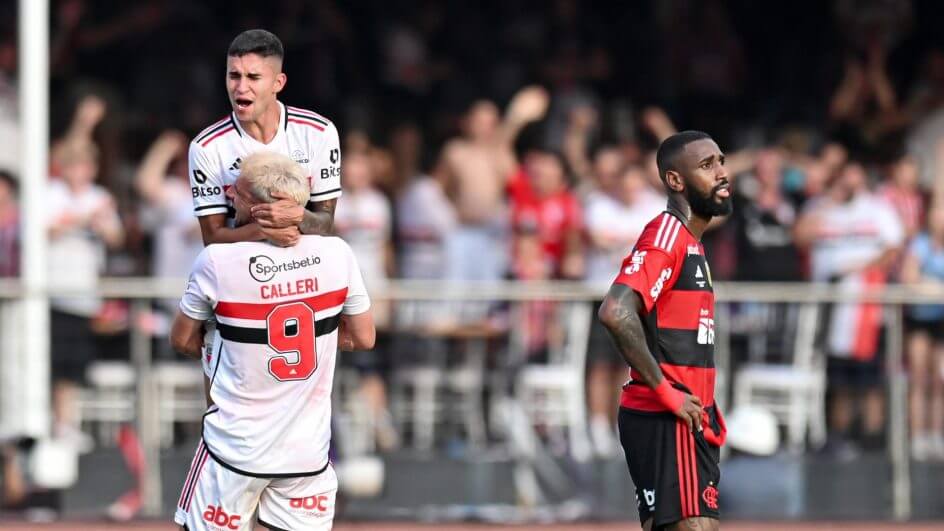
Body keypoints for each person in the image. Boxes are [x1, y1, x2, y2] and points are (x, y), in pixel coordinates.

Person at [170, 152, 374, 531]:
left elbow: (182, 339)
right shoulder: (338, 253)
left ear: (263, 207)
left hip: (235, 449)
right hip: (306, 453)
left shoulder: (218, 260)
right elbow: (364, 336)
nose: (230, 194)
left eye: (239, 192)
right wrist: (320, 338)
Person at [187, 28, 342, 394]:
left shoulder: (318, 133)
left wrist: (299, 219)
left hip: (300, 283)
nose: (241, 88)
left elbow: (326, 222)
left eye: (253, 77)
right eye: (233, 75)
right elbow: (213, 238)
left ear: (278, 82)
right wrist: (272, 225)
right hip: (236, 289)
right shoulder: (208, 147)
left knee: (301, 400)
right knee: (223, 406)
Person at [598, 131, 731, 531]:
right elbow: (616, 311)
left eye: (721, 161)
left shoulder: (691, 242)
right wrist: (667, 391)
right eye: (707, 166)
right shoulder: (668, 236)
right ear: (676, 181)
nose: (722, 174)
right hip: (669, 418)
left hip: (686, 416)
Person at [794, 161, 904, 457]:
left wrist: (859, 268)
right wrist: (829, 201)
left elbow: (894, 248)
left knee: (869, 377)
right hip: (828, 304)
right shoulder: (821, 206)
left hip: (867, 306)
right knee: (837, 376)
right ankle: (838, 436)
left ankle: (870, 438)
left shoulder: (878, 209)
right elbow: (800, 237)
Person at [899, 204, 944, 461]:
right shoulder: (921, 245)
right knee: (919, 377)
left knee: (939, 381)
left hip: (941, 321)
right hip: (920, 319)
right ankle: (917, 436)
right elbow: (909, 276)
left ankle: (936, 434)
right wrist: (930, 287)